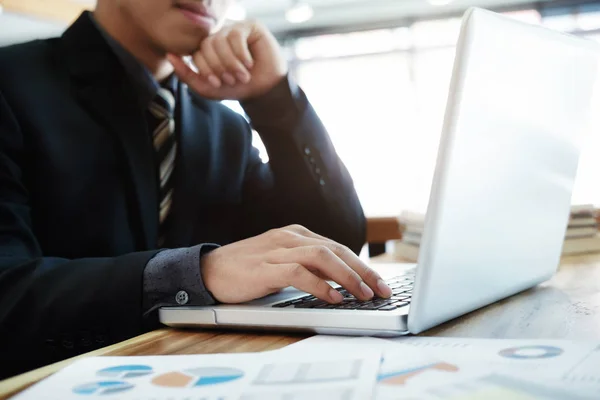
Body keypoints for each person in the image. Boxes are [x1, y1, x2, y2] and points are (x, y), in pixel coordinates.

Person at [0, 0, 392, 378]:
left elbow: (332, 241)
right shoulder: (10, 84)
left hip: (200, 370)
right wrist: (197, 272)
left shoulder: (222, 125)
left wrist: (275, 98)